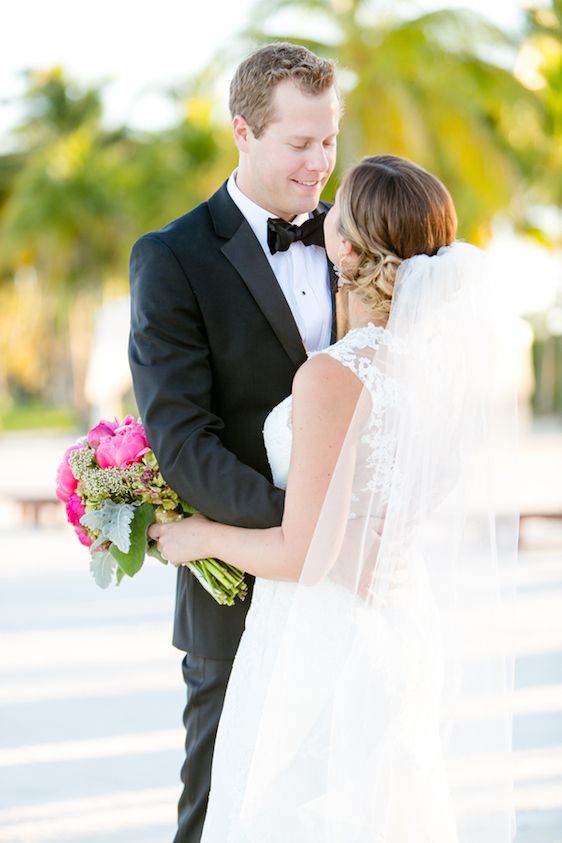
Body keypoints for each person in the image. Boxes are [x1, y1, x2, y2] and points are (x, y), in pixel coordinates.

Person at [150, 154, 518, 842]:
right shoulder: (432, 372)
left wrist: (194, 536)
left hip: (324, 637)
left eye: (336, 206)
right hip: (401, 621)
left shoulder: (331, 377)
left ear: (344, 247)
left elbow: (304, 553)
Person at [129, 42, 341, 842]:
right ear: (243, 134)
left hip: (351, 593)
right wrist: (305, 532)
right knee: (218, 813)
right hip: (239, 594)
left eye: (329, 140)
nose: (321, 162)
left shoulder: (354, 238)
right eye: (299, 143)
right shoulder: (173, 258)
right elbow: (183, 441)